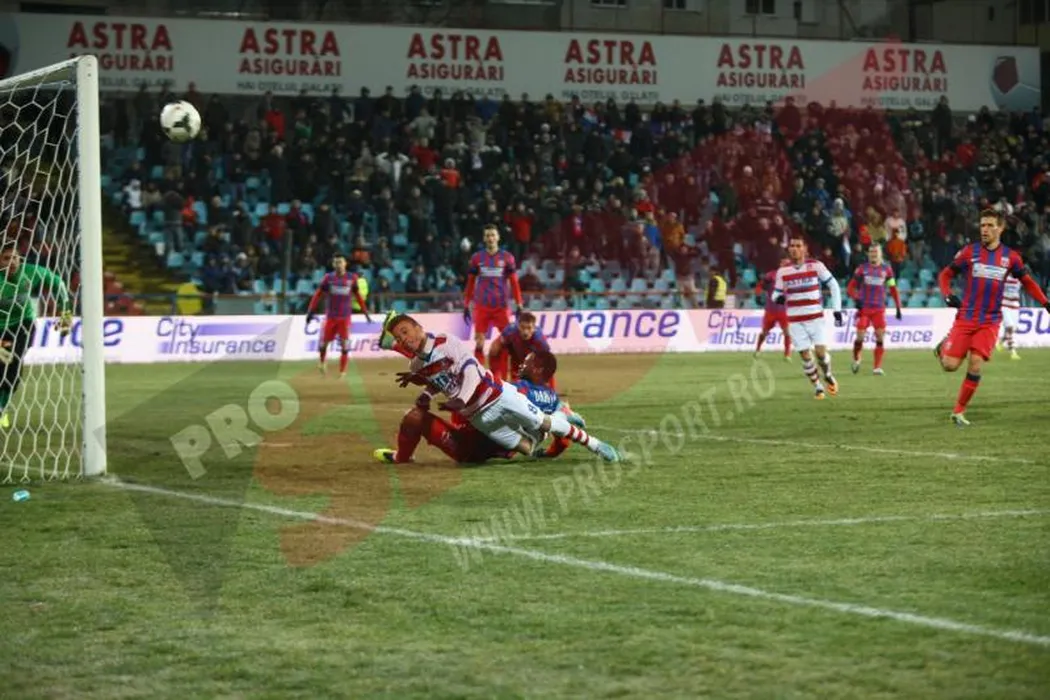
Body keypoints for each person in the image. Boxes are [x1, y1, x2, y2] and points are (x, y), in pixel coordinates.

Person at [379, 311, 620, 462]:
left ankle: (595, 444)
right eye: (399, 338)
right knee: (527, 448)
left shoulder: (445, 341)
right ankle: (559, 417)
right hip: (478, 417)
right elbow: (439, 381)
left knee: (543, 423)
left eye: (405, 332)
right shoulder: (416, 364)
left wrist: (461, 399)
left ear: (419, 327)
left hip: (497, 395)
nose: (404, 339)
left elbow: (470, 369)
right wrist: (425, 394)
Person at [934, 208, 1050, 425]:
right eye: (982, 225)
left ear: (1001, 228)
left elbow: (1027, 282)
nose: (984, 230)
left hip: (990, 320)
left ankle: (958, 411)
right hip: (966, 317)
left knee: (976, 363)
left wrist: (1045, 302)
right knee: (949, 365)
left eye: (990, 225)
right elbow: (945, 274)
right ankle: (944, 347)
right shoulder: (970, 252)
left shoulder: (1011, 257)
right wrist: (947, 294)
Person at [372, 350, 582, 465]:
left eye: (526, 362)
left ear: (537, 369)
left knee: (415, 418)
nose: (521, 364)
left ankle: (401, 457)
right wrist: (550, 453)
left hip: (472, 447)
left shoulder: (516, 390)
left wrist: (428, 384)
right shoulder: (552, 397)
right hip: (504, 447)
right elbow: (561, 435)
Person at [0, 241, 72, 429]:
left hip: (23, 324)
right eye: (6, 258)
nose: (12, 262)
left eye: (15, 257)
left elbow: (58, 283)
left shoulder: (31, 272)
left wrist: (65, 315)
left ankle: (1, 409)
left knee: (13, 367)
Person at [773, 234, 844, 399]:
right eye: (792, 246)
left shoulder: (816, 266)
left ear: (805, 248)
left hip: (815, 318)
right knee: (805, 356)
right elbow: (775, 294)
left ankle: (828, 375)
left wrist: (837, 310)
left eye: (798, 246)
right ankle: (818, 387)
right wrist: (778, 298)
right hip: (795, 321)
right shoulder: (783, 271)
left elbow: (833, 285)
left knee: (820, 354)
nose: (794, 249)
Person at [463, 225, 523, 366]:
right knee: (479, 342)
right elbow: (470, 283)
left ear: (498, 237)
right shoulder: (477, 258)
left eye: (493, 235)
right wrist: (466, 304)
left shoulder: (507, 258)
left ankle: (506, 372)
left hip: (501, 306)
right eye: (487, 235)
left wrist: (519, 303)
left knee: (508, 340)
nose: (490, 238)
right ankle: (478, 374)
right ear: (484, 238)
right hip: (481, 305)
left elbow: (514, 282)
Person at [305, 253, 371, 378]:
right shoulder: (328, 278)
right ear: (333, 264)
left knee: (345, 345)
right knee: (323, 345)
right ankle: (322, 363)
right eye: (336, 262)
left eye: (340, 262)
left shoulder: (352, 278)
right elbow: (318, 295)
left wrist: (365, 312)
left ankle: (342, 372)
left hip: (345, 318)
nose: (338, 265)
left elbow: (358, 296)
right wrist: (310, 311)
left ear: (345, 263)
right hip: (331, 317)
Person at [846, 244, 902, 375]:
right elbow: (850, 287)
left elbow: (893, 289)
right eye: (871, 252)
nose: (873, 254)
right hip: (864, 309)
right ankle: (856, 358)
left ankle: (877, 367)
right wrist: (856, 299)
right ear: (868, 254)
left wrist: (898, 307)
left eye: (875, 252)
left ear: (880, 254)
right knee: (860, 337)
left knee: (880, 338)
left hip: (879, 309)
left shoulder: (886, 270)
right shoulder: (862, 269)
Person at [486, 311, 552, 384]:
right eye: (522, 327)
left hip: (530, 354)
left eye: (529, 328)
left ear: (534, 328)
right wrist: (495, 371)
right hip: (514, 351)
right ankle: (498, 381)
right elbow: (495, 347)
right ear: (518, 326)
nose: (525, 332)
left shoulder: (540, 340)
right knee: (496, 350)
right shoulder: (510, 330)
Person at [753, 257, 792, 360]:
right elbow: (760, 285)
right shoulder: (771, 275)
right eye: (784, 263)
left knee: (787, 332)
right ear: (780, 264)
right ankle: (758, 349)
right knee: (764, 332)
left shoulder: (792, 277)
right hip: (770, 310)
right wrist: (758, 294)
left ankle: (787, 354)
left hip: (783, 310)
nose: (786, 265)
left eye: (788, 264)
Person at [997, 276, 1021, 360]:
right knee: (1009, 327)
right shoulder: (1004, 277)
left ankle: (1001, 342)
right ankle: (1013, 352)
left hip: (1015, 306)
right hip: (1005, 306)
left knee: (1011, 330)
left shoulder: (1020, 278)